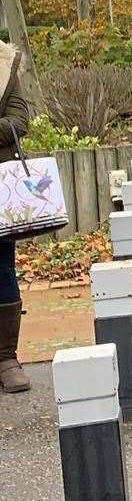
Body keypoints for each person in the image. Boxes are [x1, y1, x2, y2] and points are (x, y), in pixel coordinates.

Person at [0, 39, 32, 395]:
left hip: (0, 191)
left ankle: (7, 357)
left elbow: (19, 121)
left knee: (2, 270)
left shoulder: (4, 64)